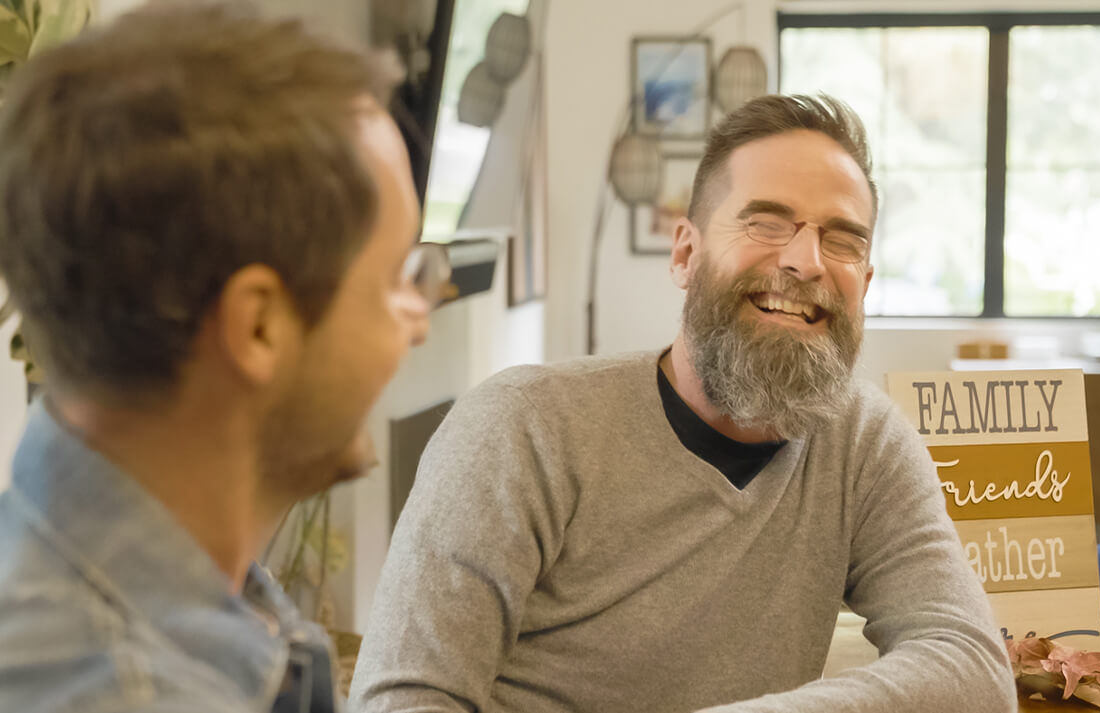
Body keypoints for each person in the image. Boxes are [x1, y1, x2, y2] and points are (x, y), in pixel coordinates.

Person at [350, 94, 1016, 712]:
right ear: (686, 254)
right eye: (766, 221)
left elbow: (971, 665)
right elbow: (403, 700)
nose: (806, 260)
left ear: (863, 284)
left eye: (843, 239)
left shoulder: (865, 443)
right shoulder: (521, 428)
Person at [0, 2, 449, 711]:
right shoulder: (126, 691)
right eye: (399, 278)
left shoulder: (145, 606)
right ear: (260, 325)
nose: (419, 322)